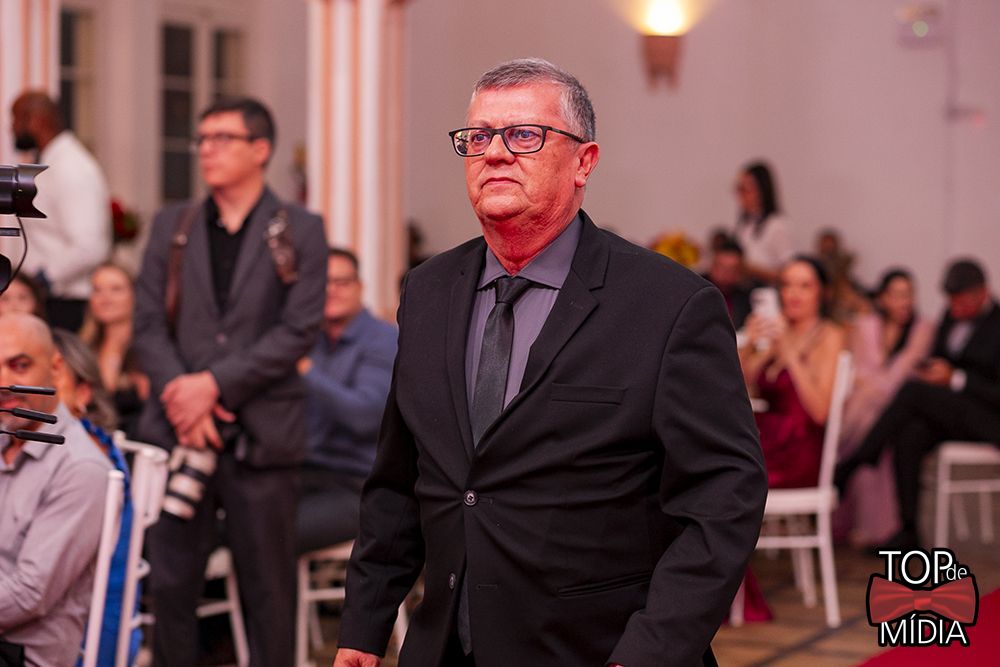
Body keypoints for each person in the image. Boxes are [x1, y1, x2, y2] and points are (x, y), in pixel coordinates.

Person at [335, 58, 765, 667]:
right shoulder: (428, 291)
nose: (495, 153)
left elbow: (723, 499)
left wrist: (650, 652)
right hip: (445, 647)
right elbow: (400, 479)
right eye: (479, 137)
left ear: (584, 162)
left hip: (595, 649)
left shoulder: (668, 305)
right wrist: (363, 625)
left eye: (524, 135)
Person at [132, 97, 326, 666]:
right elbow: (147, 323)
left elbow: (298, 330)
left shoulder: (300, 228)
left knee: (268, 592)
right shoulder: (173, 225)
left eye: (222, 138)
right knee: (170, 586)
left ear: (260, 150)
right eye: (202, 139)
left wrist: (212, 386)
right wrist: (182, 394)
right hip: (179, 431)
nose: (206, 150)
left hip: (262, 436)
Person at [835, 258, 1000, 551]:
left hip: (989, 419)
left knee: (912, 392)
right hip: (953, 414)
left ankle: (858, 459)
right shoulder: (949, 316)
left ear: (983, 293)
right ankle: (909, 530)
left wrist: (957, 379)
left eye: (961, 301)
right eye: (951, 301)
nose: (955, 308)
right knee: (910, 431)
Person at [0, 314, 112, 667]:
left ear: (56, 368)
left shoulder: (80, 467)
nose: (3, 382)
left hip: (21, 653)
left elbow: (27, 596)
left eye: (19, 366)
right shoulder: (7, 435)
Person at [51, 328, 143, 667]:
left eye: (50, 379)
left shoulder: (85, 463)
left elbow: (39, 582)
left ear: (83, 392)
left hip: (83, 638)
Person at [296, 247, 396, 554]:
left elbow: (364, 416)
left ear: (359, 287)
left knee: (270, 532)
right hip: (304, 471)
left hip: (359, 484)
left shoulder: (383, 339)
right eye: (323, 282)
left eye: (341, 282)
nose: (331, 290)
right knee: (238, 514)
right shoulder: (310, 339)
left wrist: (305, 370)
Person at [835, 269, 933, 546]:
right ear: (883, 298)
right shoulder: (865, 326)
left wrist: (872, 390)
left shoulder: (922, 329)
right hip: (866, 402)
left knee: (874, 425)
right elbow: (857, 372)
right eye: (897, 295)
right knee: (868, 418)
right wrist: (869, 390)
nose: (905, 302)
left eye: (908, 294)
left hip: (899, 406)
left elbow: (904, 374)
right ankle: (862, 521)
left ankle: (873, 524)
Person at [739, 256, 847, 489]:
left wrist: (790, 353)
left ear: (822, 292)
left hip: (798, 449)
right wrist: (749, 343)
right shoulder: (777, 331)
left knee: (731, 475)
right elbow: (739, 387)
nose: (793, 294)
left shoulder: (829, 335)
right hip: (764, 440)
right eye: (787, 285)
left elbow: (820, 413)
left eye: (804, 286)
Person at [9, 92, 111, 331]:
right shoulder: (49, 162)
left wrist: (42, 280)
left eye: (15, 119)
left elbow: (90, 245)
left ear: (36, 120)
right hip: (46, 299)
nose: (11, 128)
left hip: (65, 304)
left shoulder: (72, 167)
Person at [79, 263, 149, 438]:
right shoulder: (81, 348)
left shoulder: (149, 350)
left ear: (135, 294)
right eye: (97, 290)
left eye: (116, 289)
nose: (105, 298)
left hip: (138, 443)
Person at [732, 161, 794, 284]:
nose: (740, 195)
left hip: (768, 291)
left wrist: (750, 269)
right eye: (738, 189)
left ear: (762, 191)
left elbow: (788, 273)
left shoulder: (777, 225)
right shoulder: (745, 223)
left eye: (745, 190)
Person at [703, 237, 756, 329]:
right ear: (712, 265)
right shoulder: (697, 289)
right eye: (722, 268)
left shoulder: (745, 298)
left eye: (732, 269)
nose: (726, 274)